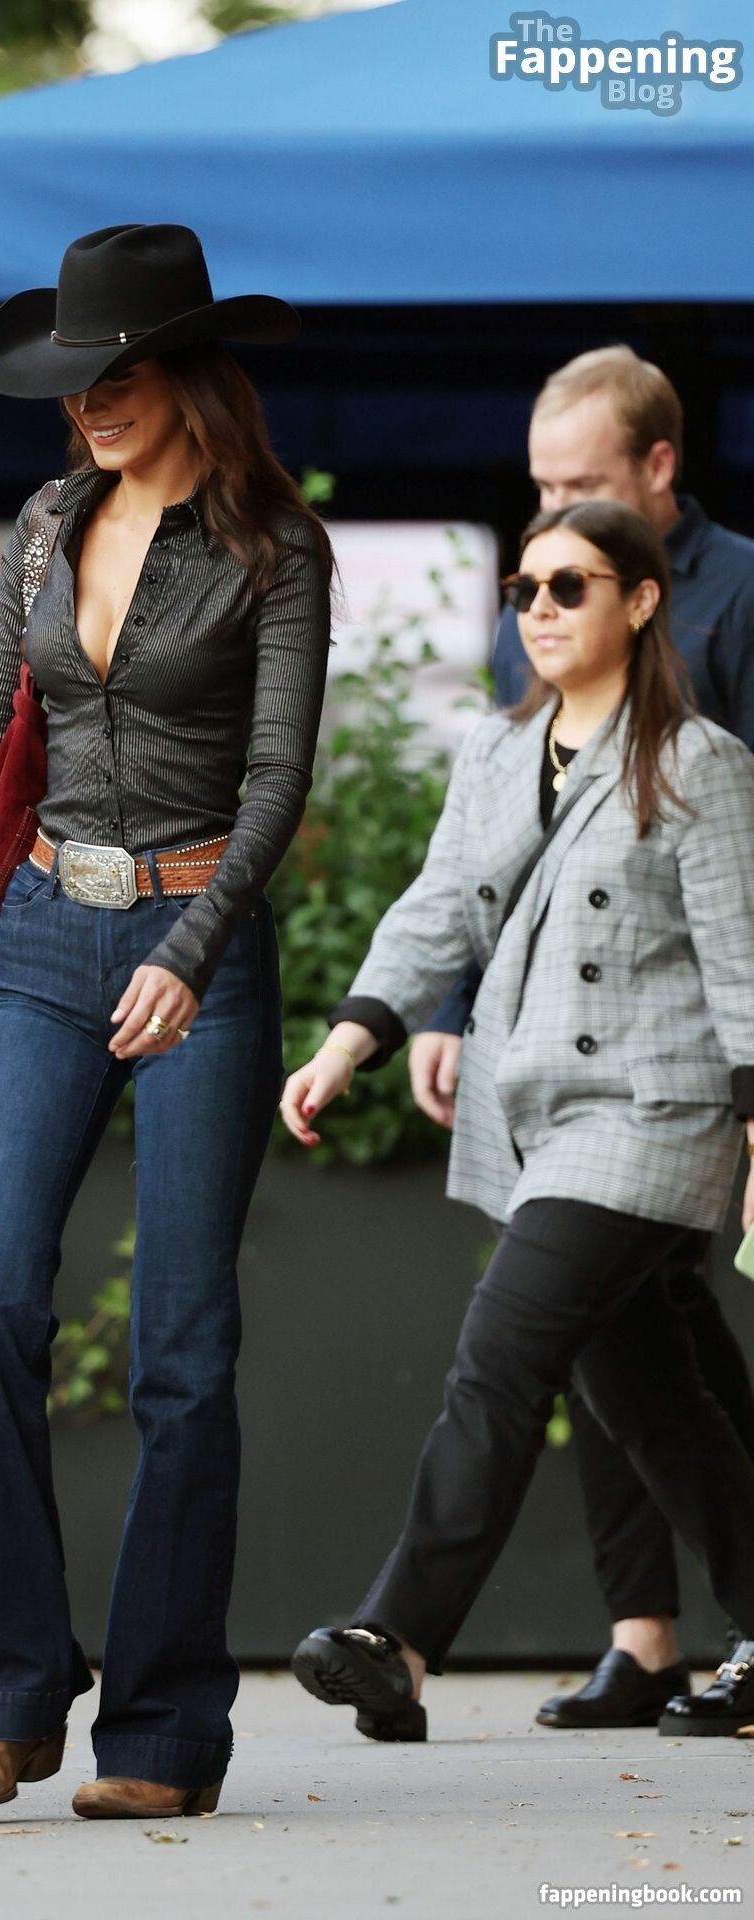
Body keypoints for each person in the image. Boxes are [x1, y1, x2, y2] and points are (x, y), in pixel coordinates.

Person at [0, 224, 333, 1819]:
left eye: (117, 373)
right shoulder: (47, 524)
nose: (91, 403)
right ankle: (4, 1702)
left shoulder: (276, 547)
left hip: (200, 953)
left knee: (179, 1352)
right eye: (76, 380)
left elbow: (275, 782)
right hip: (53, 936)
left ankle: (161, 1735)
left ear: (188, 371)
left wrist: (190, 950)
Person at [283, 500, 754, 1743]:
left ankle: (396, 1637)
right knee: (652, 1401)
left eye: (569, 586)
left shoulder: (699, 761)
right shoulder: (497, 750)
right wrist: (349, 1040)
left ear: (639, 601)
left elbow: (742, 962)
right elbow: (440, 903)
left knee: (499, 1358)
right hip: (537, 1115)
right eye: (523, 590)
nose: (539, 609)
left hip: (653, 1114)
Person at [411, 347, 754, 1730]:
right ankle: (643, 1638)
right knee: (627, 1340)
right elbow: (501, 855)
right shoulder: (541, 607)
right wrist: (448, 1010)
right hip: (556, 1052)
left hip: (686, 1046)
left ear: (658, 468)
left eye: (580, 484)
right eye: (538, 488)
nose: (549, 519)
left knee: (633, 1337)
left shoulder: (742, 595)